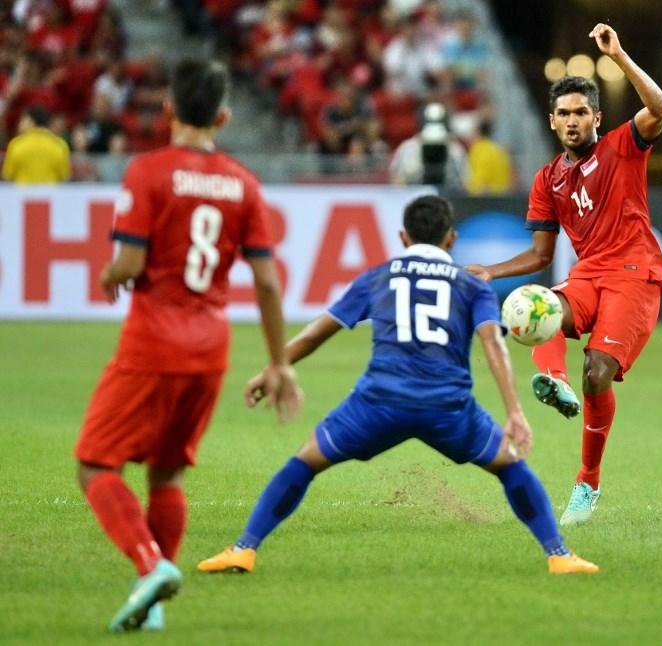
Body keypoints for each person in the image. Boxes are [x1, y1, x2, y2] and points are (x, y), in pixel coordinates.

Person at [197, 195, 598, 577]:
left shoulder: (378, 278)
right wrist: (514, 411)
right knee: (511, 467)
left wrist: (273, 368)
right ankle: (559, 555)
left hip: (377, 404)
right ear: (451, 239)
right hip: (448, 408)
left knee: (304, 461)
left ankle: (245, 548)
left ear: (403, 238)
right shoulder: (471, 286)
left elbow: (316, 334)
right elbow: (493, 342)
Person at [73, 58, 302, 633]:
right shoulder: (243, 183)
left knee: (95, 463)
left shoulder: (148, 172)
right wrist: (279, 362)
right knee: (167, 475)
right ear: (224, 116)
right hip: (209, 348)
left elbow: (128, 262)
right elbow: (269, 281)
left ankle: (150, 565)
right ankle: (152, 602)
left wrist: (109, 275)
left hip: (152, 342)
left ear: (169, 110)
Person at [466, 24, 662, 526]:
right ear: (553, 122)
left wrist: (619, 55)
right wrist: (490, 271)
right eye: (565, 113)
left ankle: (587, 484)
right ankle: (554, 382)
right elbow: (540, 254)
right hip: (588, 274)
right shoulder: (548, 178)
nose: (574, 120)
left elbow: (661, 109)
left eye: (582, 112)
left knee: (598, 371)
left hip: (634, 273)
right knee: (538, 304)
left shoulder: (623, 147)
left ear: (597, 118)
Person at [389, 102, 467, 187]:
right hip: (415, 196)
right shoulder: (407, 149)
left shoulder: (455, 151)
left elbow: (463, 183)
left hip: (447, 197)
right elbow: (396, 181)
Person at [1, 104, 70, 184]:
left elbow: (7, 176)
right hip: (49, 195)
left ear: (31, 122)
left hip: (23, 195)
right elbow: (65, 177)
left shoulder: (16, 145)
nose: (20, 124)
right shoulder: (60, 145)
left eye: (23, 120)